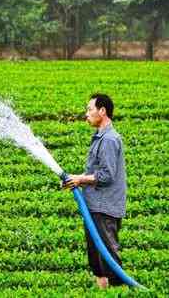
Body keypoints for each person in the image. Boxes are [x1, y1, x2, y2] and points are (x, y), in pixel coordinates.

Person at [62, 93, 127, 289]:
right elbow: (95, 173)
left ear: (102, 111)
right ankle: (103, 291)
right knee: (97, 258)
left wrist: (80, 179)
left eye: (89, 109)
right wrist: (76, 180)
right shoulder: (100, 137)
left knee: (108, 255)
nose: (86, 114)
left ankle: (118, 291)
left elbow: (106, 175)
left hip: (105, 207)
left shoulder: (109, 139)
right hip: (95, 206)